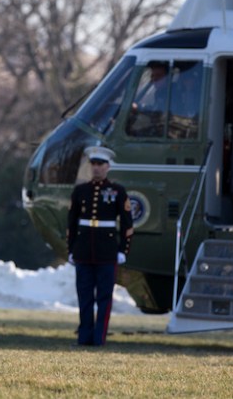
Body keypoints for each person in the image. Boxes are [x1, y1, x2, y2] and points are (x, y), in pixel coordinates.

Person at [67, 146, 134, 346]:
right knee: (84, 296)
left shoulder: (117, 191)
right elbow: (72, 222)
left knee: (104, 297)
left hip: (107, 252)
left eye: (100, 164)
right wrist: (71, 249)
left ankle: (99, 338)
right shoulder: (80, 191)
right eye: (93, 164)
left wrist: (123, 250)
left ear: (108, 166)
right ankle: (84, 336)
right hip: (84, 251)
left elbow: (127, 223)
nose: (96, 168)